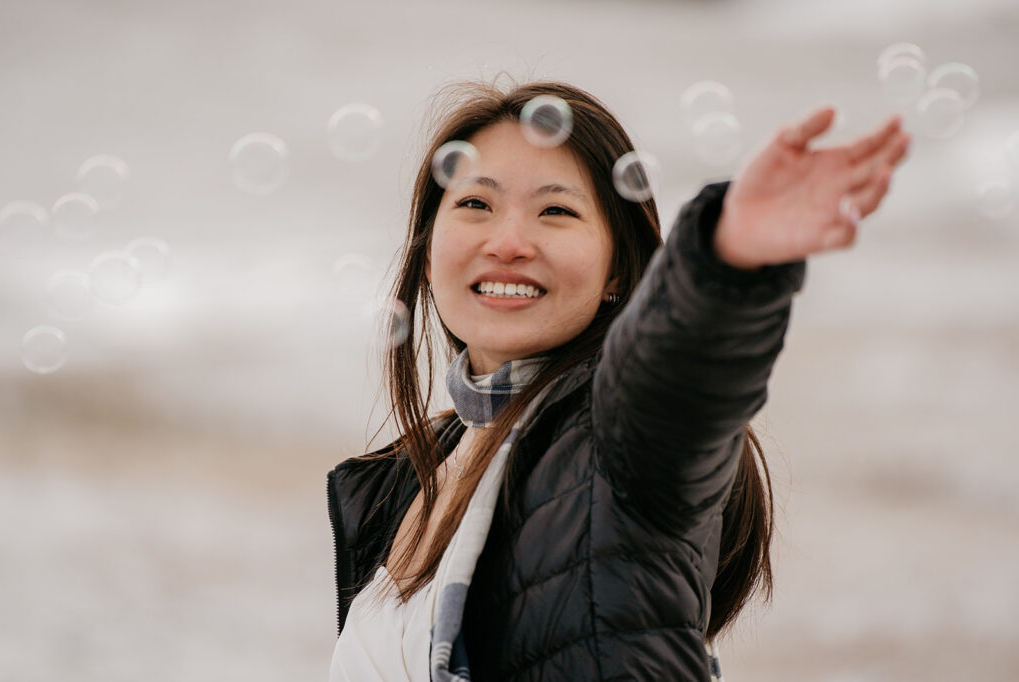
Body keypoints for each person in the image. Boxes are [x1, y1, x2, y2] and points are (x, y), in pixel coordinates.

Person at [326, 79, 910, 681]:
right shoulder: (401, 480)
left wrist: (729, 254)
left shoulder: (608, 437)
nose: (507, 243)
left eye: (556, 210)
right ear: (427, 248)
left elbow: (677, 376)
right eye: (476, 204)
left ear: (616, 270)